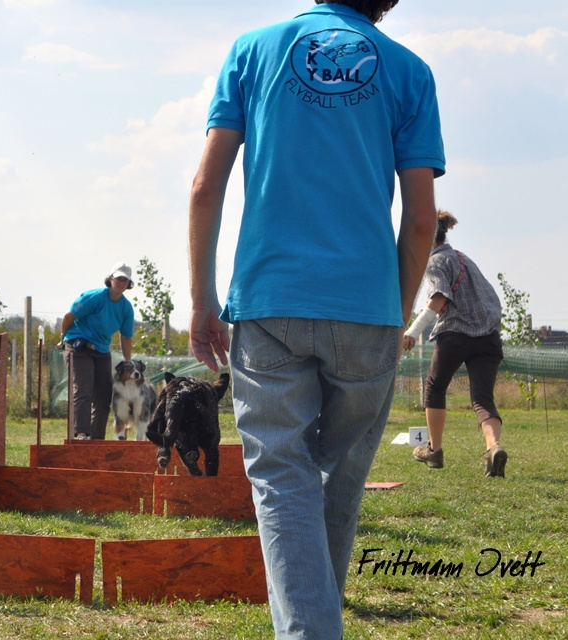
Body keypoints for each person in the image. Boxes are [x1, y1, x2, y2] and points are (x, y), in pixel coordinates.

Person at [187, 1, 444, 636]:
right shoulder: (410, 71)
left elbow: (204, 187)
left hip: (270, 303)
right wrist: (397, 313)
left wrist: (200, 298)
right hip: (367, 308)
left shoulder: (254, 49)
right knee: (336, 485)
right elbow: (420, 221)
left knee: (282, 480)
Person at [402, 211, 506, 477]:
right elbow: (492, 299)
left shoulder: (436, 262)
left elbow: (438, 298)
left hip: (456, 334)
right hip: (489, 336)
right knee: (482, 398)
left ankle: (434, 451)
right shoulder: (464, 259)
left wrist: (412, 332)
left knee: (435, 388)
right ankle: (494, 447)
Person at [58, 263, 135, 439]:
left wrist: (127, 362)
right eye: (118, 278)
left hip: (101, 350)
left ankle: (97, 438)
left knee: (104, 393)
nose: (121, 282)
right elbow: (68, 317)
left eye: (125, 280)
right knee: (83, 388)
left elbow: (125, 337)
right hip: (78, 345)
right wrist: (63, 338)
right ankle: (82, 433)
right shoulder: (94, 297)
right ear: (110, 279)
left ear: (129, 284)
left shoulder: (126, 308)